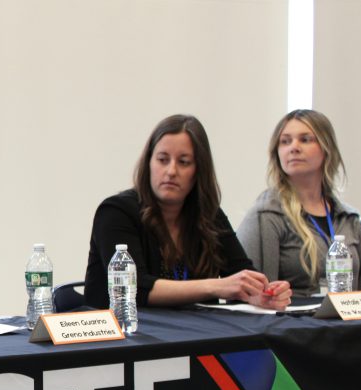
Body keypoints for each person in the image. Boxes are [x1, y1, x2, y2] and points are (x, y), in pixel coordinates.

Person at [84, 114, 291, 311]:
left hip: (195, 337)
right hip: (124, 338)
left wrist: (260, 294)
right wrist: (217, 286)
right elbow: (136, 289)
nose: (171, 171)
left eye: (183, 162)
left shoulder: (209, 215)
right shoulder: (116, 212)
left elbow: (241, 272)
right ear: (149, 163)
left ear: (199, 170)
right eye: (163, 160)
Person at [237, 109, 361, 296]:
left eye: (305, 139)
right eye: (285, 141)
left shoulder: (350, 219)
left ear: (327, 149)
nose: (293, 147)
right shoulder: (266, 215)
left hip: (347, 323)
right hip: (292, 324)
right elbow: (256, 300)